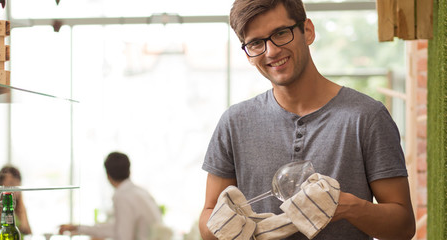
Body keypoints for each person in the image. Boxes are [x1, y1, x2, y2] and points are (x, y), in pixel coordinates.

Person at [199, 0, 415, 239]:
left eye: (281, 33)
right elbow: (208, 216)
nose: (271, 51)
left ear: (308, 31)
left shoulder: (367, 117)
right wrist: (224, 226)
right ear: (249, 54)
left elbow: (403, 227)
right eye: (256, 43)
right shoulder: (234, 122)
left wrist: (348, 207)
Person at [59, 152, 164, 240]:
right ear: (129, 170)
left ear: (108, 175)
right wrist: (78, 228)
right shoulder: (140, 191)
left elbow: (123, 237)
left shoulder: (122, 196)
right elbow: (118, 228)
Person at [0, 165, 32, 235]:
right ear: (0, 185)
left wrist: (21, 211)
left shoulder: (20, 205)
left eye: (18, 184)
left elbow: (28, 232)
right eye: (11, 183)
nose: (15, 188)